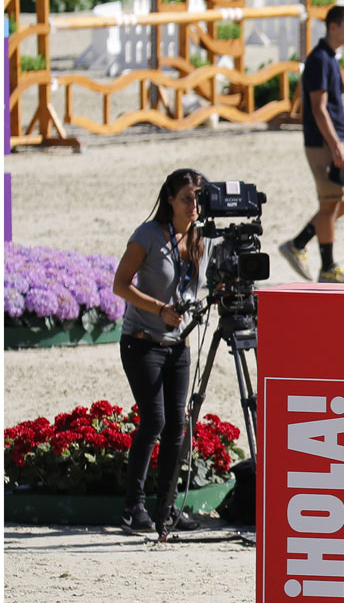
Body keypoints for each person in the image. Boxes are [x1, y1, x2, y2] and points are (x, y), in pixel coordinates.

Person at [112, 168, 208, 534]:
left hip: (177, 344)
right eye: (187, 198)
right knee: (154, 421)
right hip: (141, 342)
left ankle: (165, 507)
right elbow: (120, 285)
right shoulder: (148, 236)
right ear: (170, 199)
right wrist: (158, 308)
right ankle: (131, 507)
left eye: (199, 198)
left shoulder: (202, 238)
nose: (194, 205)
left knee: (177, 428)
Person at [279, 5, 344, 284]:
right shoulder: (319, 59)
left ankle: (298, 243)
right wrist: (335, 146)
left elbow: (335, 106)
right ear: (332, 27)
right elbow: (318, 110)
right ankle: (328, 266)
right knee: (331, 203)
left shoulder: (331, 58)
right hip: (321, 143)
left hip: (333, 140)